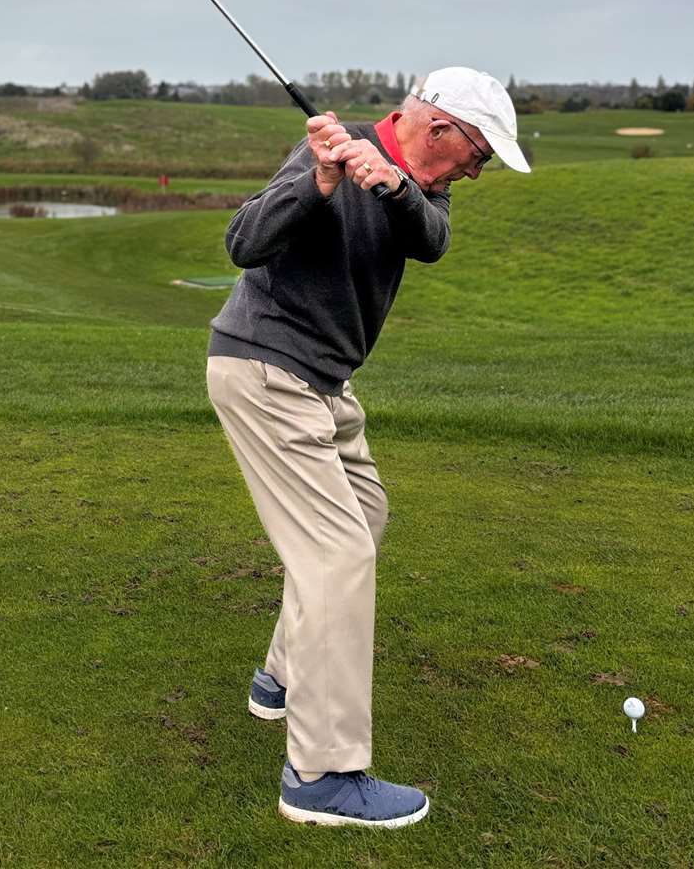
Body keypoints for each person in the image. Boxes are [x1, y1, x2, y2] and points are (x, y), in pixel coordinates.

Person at [206, 67, 531, 828]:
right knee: (337, 556)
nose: (473, 173)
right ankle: (319, 774)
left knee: (367, 515)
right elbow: (242, 243)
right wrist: (320, 180)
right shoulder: (329, 149)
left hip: (326, 382)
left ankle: (280, 677)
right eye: (477, 156)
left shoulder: (418, 183)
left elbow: (431, 240)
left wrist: (387, 185)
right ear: (440, 128)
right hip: (264, 367)